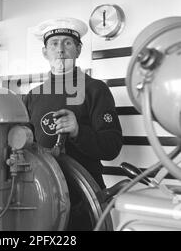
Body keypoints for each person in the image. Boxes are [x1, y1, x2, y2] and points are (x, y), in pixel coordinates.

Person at [23, 17, 123, 190]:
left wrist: (78, 132)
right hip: (43, 194)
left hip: (85, 195)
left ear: (78, 50)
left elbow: (111, 147)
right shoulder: (33, 95)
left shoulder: (95, 89)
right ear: (45, 52)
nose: (60, 50)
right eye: (54, 44)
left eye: (67, 43)